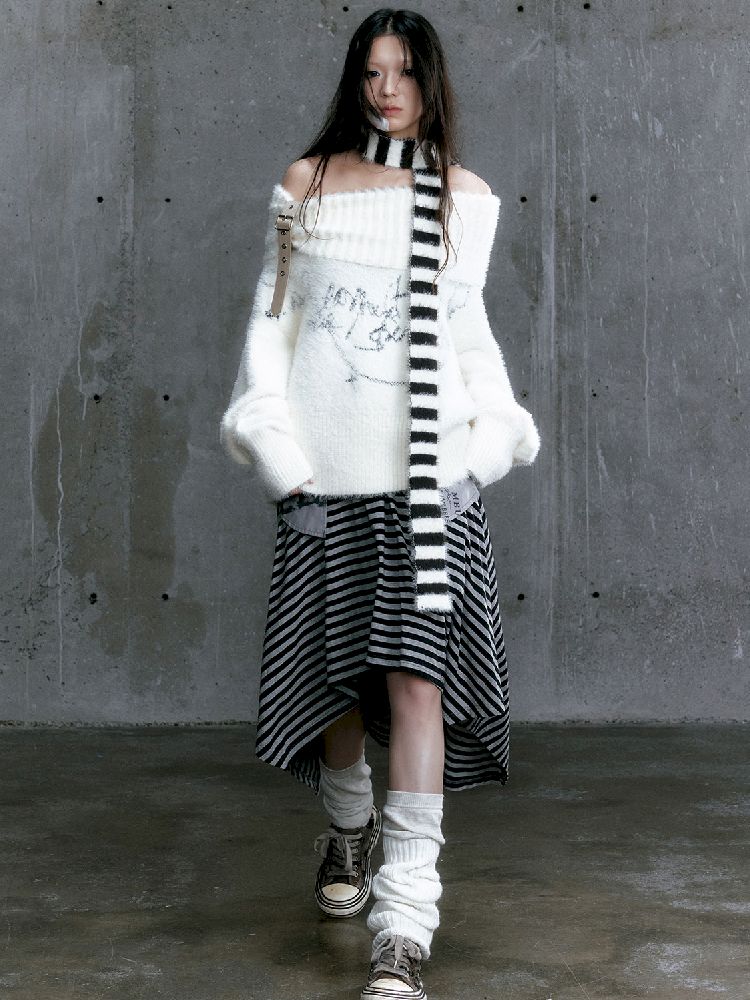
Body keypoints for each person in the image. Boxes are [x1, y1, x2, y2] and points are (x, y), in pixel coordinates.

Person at [219, 8, 540, 998]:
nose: (387, 90)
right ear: (354, 81)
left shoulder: (464, 198)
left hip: (430, 497)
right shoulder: (308, 183)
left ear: (430, 81)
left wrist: (486, 448)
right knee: (339, 694)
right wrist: (281, 460)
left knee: (415, 687)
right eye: (371, 71)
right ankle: (347, 827)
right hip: (327, 485)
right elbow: (271, 328)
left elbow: (468, 334)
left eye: (403, 72)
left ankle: (406, 926)